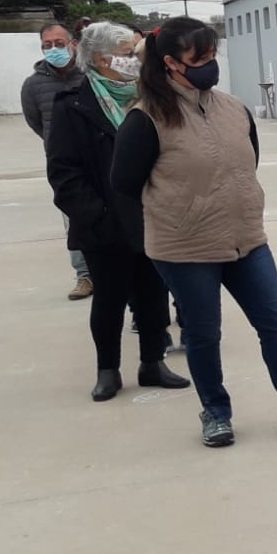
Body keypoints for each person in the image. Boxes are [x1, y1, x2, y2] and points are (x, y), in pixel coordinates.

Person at [112, 16, 277, 448]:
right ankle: (216, 413)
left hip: (247, 239)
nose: (209, 65)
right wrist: (152, 238)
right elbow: (124, 187)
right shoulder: (146, 119)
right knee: (203, 334)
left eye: (213, 55)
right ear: (170, 63)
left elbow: (246, 163)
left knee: (274, 322)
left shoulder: (233, 108)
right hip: (185, 247)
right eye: (198, 58)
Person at [45, 23, 190, 401]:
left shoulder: (150, 97)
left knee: (153, 295)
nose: (132, 62)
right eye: (125, 54)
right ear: (99, 58)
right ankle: (107, 369)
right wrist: (97, 215)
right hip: (103, 224)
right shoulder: (73, 105)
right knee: (109, 299)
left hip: (152, 217)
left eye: (133, 54)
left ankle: (152, 364)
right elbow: (64, 173)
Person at [22, 22, 93, 300]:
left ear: (73, 44)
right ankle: (84, 277)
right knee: (73, 218)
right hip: (64, 164)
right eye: (47, 45)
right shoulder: (32, 85)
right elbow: (35, 122)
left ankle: (114, 270)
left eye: (59, 43)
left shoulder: (90, 75)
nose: (54, 49)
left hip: (98, 156)